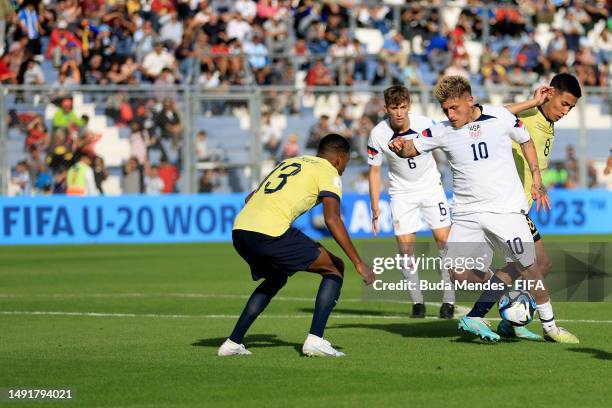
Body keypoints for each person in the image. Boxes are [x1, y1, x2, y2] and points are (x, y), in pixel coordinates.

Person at [388, 76, 552, 343]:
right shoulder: (442, 130)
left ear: (470, 100)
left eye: (454, 108)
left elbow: (520, 134)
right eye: (445, 110)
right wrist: (399, 147)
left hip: (507, 208)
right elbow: (411, 147)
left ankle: (543, 323)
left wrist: (536, 176)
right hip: (468, 213)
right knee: (460, 274)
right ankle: (512, 304)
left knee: (538, 264)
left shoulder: (497, 117)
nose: (450, 115)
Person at [218, 134, 374, 357]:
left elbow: (250, 198)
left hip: (240, 230)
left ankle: (232, 344)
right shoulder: (328, 171)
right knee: (335, 267)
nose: (343, 169)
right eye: (346, 164)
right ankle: (316, 340)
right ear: (339, 159)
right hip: (270, 232)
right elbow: (332, 219)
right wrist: (359, 263)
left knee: (276, 277)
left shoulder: (291, 161)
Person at [496, 73, 582, 343]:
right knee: (540, 263)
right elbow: (495, 116)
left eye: (571, 107)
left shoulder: (547, 121)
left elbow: (534, 159)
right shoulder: (531, 113)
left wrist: (538, 183)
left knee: (529, 266)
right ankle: (546, 327)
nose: (566, 111)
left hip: (523, 205)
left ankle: (507, 319)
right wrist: (531, 100)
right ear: (551, 93)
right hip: (508, 205)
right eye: (564, 104)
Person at [368, 85, 454, 318]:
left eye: (403, 107)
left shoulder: (425, 124)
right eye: (394, 108)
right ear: (386, 108)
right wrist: (375, 208)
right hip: (401, 193)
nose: (399, 113)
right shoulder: (378, 134)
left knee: (445, 242)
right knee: (406, 250)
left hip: (430, 188)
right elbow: (374, 172)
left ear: (409, 106)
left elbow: (448, 143)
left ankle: (449, 300)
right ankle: (417, 301)